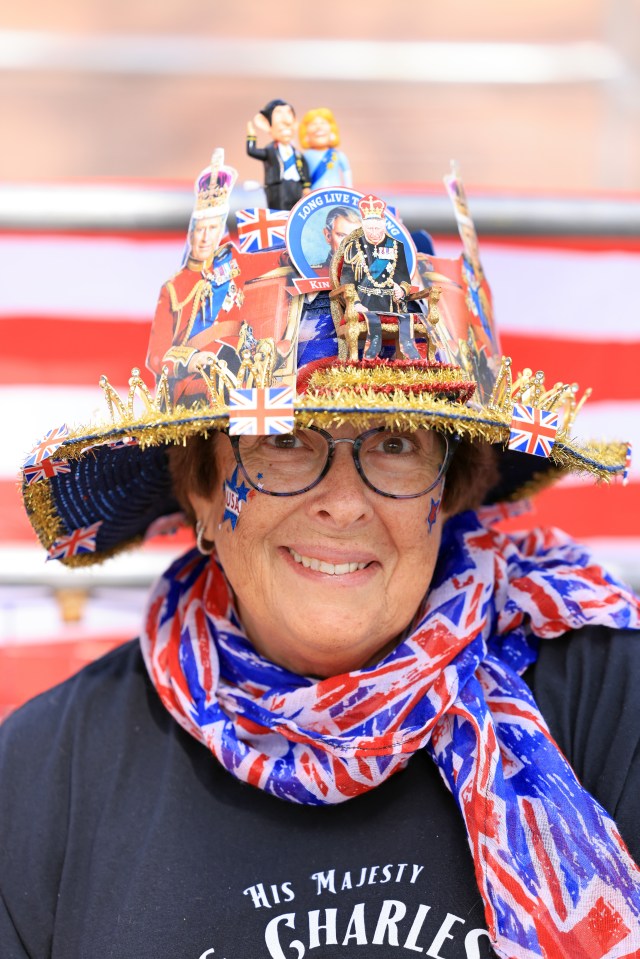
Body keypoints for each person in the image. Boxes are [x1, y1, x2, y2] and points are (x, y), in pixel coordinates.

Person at [2, 153, 640, 959]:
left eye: (397, 441)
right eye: (283, 441)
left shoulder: (608, 698)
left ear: (452, 487)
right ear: (201, 489)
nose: (344, 500)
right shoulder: (41, 781)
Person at [146, 148, 245, 400]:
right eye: (199, 229)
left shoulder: (239, 265)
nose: (204, 237)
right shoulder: (173, 286)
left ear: (220, 231)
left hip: (239, 373)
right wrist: (191, 360)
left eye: (211, 229)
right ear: (190, 232)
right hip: (189, 385)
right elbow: (156, 356)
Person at [338, 193, 420, 359]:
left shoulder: (396, 246)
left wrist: (402, 290)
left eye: (377, 228)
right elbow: (346, 281)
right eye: (370, 229)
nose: (374, 233)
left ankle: (410, 360)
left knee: (408, 320)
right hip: (364, 302)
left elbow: (404, 279)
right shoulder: (353, 247)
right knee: (371, 320)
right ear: (363, 226)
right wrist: (355, 303)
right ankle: (370, 359)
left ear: (384, 226)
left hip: (390, 304)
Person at [246, 99, 311, 211]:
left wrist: (306, 186)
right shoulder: (270, 150)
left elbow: (304, 168)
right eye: (281, 129)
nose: (286, 132)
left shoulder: (297, 154)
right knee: (279, 211)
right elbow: (252, 151)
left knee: (295, 211)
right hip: (278, 186)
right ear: (268, 126)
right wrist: (251, 137)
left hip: (295, 185)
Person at [299, 107, 352, 189]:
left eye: (323, 123)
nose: (319, 127)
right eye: (313, 124)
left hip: (336, 194)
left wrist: (349, 189)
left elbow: (346, 172)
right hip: (314, 195)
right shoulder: (306, 156)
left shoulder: (338, 155)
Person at [315, 205, 361, 271]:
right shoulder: (315, 272)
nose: (350, 243)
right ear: (328, 236)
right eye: (342, 235)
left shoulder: (373, 272)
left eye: (356, 237)